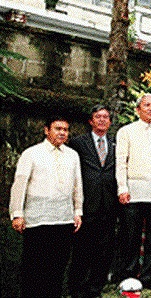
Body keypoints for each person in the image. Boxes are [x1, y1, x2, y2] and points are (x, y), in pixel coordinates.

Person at [9, 114, 83, 298]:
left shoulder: (72, 155)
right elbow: (19, 184)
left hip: (64, 219)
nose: (62, 133)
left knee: (57, 267)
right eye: (58, 129)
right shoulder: (31, 153)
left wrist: (77, 211)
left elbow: (77, 185)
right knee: (34, 268)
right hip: (37, 220)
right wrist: (17, 213)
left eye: (65, 130)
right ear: (46, 130)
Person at [115, 93, 151, 290]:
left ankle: (149, 276)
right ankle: (128, 276)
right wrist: (122, 187)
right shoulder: (126, 131)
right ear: (138, 109)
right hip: (133, 192)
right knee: (130, 237)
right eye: (146, 105)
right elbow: (121, 162)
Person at [68, 105, 118, 298]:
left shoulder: (116, 143)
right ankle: (77, 288)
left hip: (109, 205)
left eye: (106, 117)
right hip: (87, 204)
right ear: (91, 121)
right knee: (82, 249)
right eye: (98, 117)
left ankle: (96, 288)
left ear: (110, 122)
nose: (102, 120)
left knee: (104, 250)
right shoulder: (78, 143)